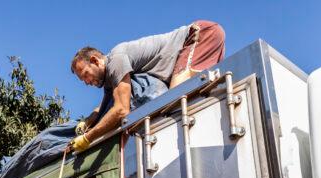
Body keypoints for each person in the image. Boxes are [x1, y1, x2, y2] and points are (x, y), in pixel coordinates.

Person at [70, 21, 225, 151]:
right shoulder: (110, 79)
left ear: (95, 61)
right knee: (181, 102)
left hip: (199, 36)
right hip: (200, 38)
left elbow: (121, 110)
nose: (86, 82)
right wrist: (88, 121)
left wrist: (87, 139)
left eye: (85, 74)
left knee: (174, 99)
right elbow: (105, 106)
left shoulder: (116, 60)